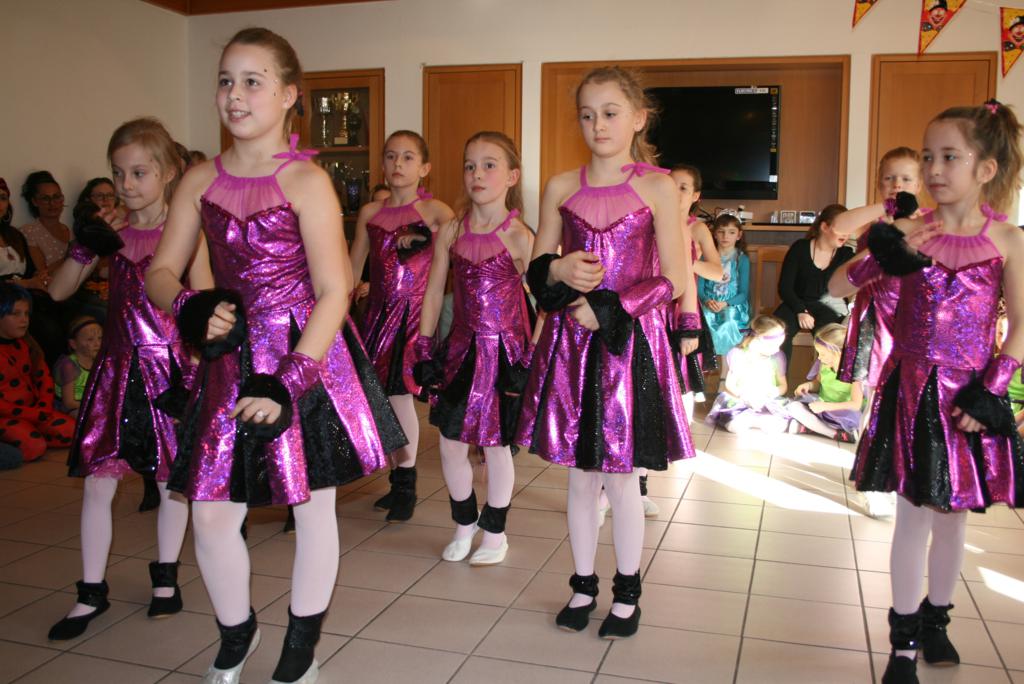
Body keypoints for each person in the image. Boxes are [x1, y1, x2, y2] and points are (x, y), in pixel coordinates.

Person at [145, 27, 404, 684]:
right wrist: (190, 307)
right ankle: (237, 632)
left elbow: (334, 290)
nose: (235, 94)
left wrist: (290, 380)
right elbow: (160, 273)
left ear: (289, 95)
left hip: (304, 353)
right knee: (210, 512)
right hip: (230, 358)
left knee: (311, 504)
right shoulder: (200, 179)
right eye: (225, 81)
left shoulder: (307, 180)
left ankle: (302, 643)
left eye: (252, 81)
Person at [846, 100, 1023, 684]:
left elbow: (1023, 325)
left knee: (953, 518)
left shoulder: (1008, 239)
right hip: (912, 389)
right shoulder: (908, 230)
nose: (933, 169)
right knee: (912, 517)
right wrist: (884, 252)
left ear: (986, 168)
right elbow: (838, 283)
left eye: (950, 157)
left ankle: (936, 620)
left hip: (969, 395)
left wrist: (992, 391)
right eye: (927, 157)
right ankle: (901, 645)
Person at [518, 66, 692, 639]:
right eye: (587, 115)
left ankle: (627, 592)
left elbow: (674, 276)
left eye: (611, 113)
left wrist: (612, 308)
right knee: (579, 477)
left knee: (620, 478)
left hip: (627, 344)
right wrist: (558, 269)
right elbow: (536, 271)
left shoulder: (658, 187)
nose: (598, 124)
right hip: (571, 345)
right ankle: (582, 584)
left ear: (638, 118)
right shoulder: (560, 186)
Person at [45, 118, 199, 643]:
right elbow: (59, 292)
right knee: (98, 482)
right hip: (115, 371)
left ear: (169, 172)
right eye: (117, 173)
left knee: (170, 482)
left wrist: (195, 371)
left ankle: (166, 576)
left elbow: (199, 305)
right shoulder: (114, 234)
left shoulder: (186, 232)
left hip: (168, 371)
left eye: (138, 173)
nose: (125, 185)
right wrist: (83, 247)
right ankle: (90, 590)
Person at [415, 131, 533, 566]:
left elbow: (546, 302)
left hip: (503, 354)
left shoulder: (520, 236)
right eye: (470, 165)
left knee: (496, 446)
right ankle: (464, 523)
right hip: (461, 352)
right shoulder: (452, 230)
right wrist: (424, 345)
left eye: (489, 165)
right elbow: (433, 292)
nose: (477, 174)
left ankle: (495, 533)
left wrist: (529, 357)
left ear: (511, 176)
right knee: (450, 443)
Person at [348, 130, 454, 522]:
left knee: (400, 395)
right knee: (379, 397)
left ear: (424, 168)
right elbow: (352, 267)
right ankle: (397, 480)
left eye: (408, 157)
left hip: (414, 315)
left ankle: (406, 484)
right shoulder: (370, 214)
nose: (398, 164)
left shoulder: (437, 212)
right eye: (391, 156)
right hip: (377, 315)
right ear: (382, 164)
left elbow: (462, 249)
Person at [829, 148, 923, 519]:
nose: (898, 184)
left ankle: (899, 473)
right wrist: (886, 206)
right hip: (876, 318)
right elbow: (840, 225)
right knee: (875, 401)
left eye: (906, 179)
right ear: (879, 182)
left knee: (909, 404)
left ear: (921, 184)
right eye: (889, 178)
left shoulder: (930, 223)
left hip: (913, 323)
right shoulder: (874, 223)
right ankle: (872, 481)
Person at [0, 282, 74, 461]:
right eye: (16, 314)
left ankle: (29, 434)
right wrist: (32, 414)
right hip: (6, 416)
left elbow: (44, 378)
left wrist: (44, 406)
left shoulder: (28, 344)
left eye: (26, 314)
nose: (24, 320)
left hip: (34, 411)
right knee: (33, 447)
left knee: (73, 431)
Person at [774, 204, 854, 362]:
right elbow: (784, 288)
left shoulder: (846, 255)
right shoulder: (800, 248)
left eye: (849, 229)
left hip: (829, 307)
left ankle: (821, 377)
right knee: (778, 332)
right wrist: (801, 310)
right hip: (795, 303)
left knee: (830, 339)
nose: (846, 234)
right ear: (824, 227)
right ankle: (779, 376)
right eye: (842, 229)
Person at [705, 314, 791, 433]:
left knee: (778, 423)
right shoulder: (739, 354)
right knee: (735, 425)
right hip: (742, 399)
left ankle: (759, 420)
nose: (776, 349)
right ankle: (745, 419)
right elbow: (729, 384)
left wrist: (772, 392)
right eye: (773, 345)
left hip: (765, 400)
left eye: (779, 345)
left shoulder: (777, 357)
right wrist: (744, 396)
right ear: (757, 339)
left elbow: (783, 385)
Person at [19, 171, 71, 364]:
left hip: (75, 290)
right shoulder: (29, 231)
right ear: (34, 201)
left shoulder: (69, 230)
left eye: (57, 197)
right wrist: (71, 257)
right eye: (45, 199)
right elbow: (43, 272)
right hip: (48, 296)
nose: (53, 204)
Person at [788, 323, 863, 442]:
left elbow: (855, 404)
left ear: (838, 353)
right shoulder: (823, 364)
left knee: (854, 418)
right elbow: (818, 382)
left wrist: (826, 406)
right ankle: (830, 432)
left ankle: (826, 431)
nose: (819, 357)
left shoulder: (855, 373)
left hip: (843, 414)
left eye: (822, 354)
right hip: (822, 408)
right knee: (793, 406)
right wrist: (808, 385)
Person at [698, 213, 751, 358]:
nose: (725, 236)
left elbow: (743, 293)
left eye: (731, 232)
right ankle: (707, 364)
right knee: (705, 319)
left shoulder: (742, 260)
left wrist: (725, 303)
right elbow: (699, 288)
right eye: (721, 232)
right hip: (708, 303)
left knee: (729, 320)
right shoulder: (704, 258)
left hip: (732, 305)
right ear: (714, 234)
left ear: (739, 235)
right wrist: (706, 300)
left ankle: (727, 367)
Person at [0, 178, 47, 290]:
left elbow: (29, 273)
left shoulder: (15, 235)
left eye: (3, 198)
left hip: (23, 296)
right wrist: (24, 283)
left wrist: (38, 277)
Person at [53, 316, 102, 417]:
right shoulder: (69, 366)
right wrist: (93, 405)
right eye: (90, 340)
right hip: (71, 407)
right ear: (73, 344)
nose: (97, 344)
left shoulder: (99, 361)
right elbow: (68, 403)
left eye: (100, 338)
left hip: (89, 402)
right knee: (91, 418)